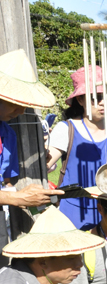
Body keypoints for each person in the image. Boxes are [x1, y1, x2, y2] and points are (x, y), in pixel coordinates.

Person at [47, 65, 107, 229]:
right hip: (72, 215)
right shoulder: (66, 130)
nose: (103, 103)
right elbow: (44, 165)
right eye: (96, 97)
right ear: (80, 100)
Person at [0, 49, 63, 210]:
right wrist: (16, 197)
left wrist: (18, 194)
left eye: (25, 105)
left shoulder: (7, 135)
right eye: (16, 103)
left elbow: (5, 181)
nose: (21, 111)